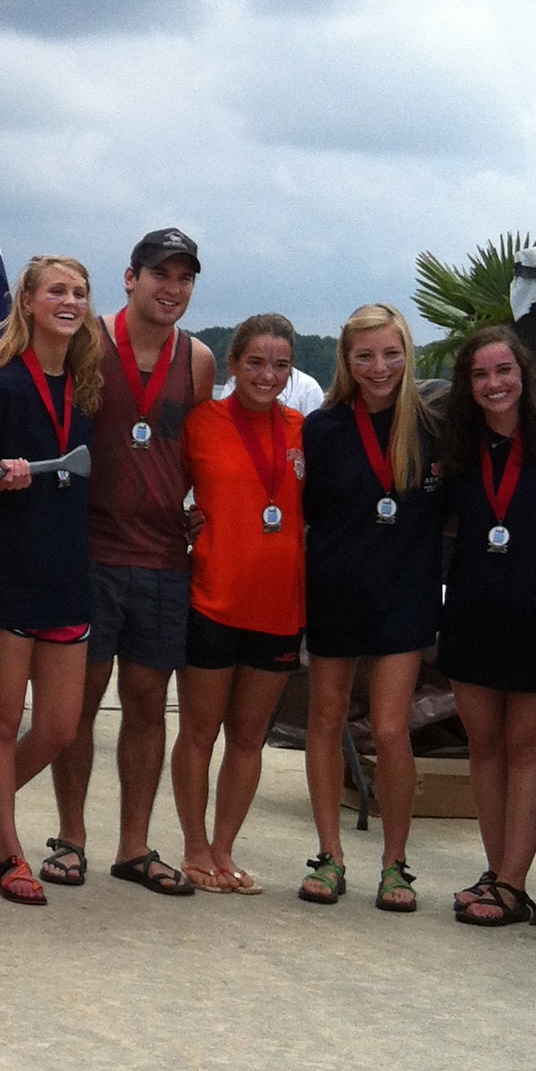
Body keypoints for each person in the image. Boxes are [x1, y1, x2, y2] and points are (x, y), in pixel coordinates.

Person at [48, 228, 216, 896]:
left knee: (147, 705)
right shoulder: (86, 339)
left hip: (163, 558)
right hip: (89, 550)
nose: (172, 289)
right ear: (130, 277)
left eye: (184, 278)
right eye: (160, 275)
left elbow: (195, 453)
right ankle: (71, 838)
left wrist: (205, 512)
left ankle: (135, 846)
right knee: (78, 704)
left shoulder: (198, 360)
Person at [0, 256, 100, 905]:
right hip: (6, 574)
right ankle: (12, 852)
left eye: (79, 292)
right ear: (29, 303)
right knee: (3, 718)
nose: (69, 301)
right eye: (57, 291)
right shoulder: (3, 383)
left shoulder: (87, 386)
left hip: (66, 575)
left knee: (61, 727)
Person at [299, 304, 443, 912]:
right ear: (346, 361)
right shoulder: (322, 428)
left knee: (389, 728)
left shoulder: (435, 427)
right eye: (365, 356)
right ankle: (329, 856)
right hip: (335, 591)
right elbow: (301, 510)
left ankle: (394, 864)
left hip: (404, 596)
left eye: (390, 354)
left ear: (407, 353)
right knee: (326, 719)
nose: (379, 367)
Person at [436, 325, 536, 930]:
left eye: (504, 371)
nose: (494, 384)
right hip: (471, 614)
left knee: (525, 748)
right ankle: (497, 872)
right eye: (481, 375)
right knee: (484, 748)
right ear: (467, 385)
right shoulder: (457, 449)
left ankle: (515, 883)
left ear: (525, 374)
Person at [169, 315, 307, 893]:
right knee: (200, 732)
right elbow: (162, 492)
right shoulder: (201, 422)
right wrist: (184, 522)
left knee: (249, 738)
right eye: (255, 363)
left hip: (279, 609)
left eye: (280, 365)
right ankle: (194, 848)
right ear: (232, 364)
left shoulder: (301, 429)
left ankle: (224, 849)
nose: (267, 375)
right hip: (213, 601)